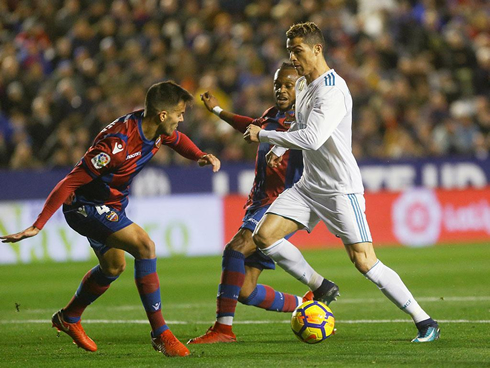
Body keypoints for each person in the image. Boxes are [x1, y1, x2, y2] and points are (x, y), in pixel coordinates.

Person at [244, 22, 440, 343]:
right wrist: (280, 146)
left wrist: (264, 135)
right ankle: (320, 286)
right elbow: (300, 122)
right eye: (289, 51)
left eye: (298, 50)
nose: (292, 57)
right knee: (264, 236)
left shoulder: (333, 90)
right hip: (309, 185)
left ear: (317, 49)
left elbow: (313, 137)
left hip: (339, 189)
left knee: (364, 261)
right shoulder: (306, 85)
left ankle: (424, 320)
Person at [1, 81, 221, 357]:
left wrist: (199, 155)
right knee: (145, 247)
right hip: (85, 206)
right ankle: (160, 334)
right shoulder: (117, 145)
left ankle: (69, 317)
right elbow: (69, 182)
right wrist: (38, 225)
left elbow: (178, 141)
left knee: (113, 267)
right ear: (162, 115)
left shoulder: (157, 129)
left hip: (111, 204)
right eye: (179, 113)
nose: (182, 118)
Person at [188, 62, 339, 345]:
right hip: (258, 202)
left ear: (301, 87)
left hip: (279, 203)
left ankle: (223, 330)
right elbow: (251, 126)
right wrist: (218, 111)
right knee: (244, 290)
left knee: (235, 248)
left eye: (288, 85)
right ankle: (305, 302)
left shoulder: (304, 119)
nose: (281, 90)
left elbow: (309, 140)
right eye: (277, 85)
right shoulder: (272, 114)